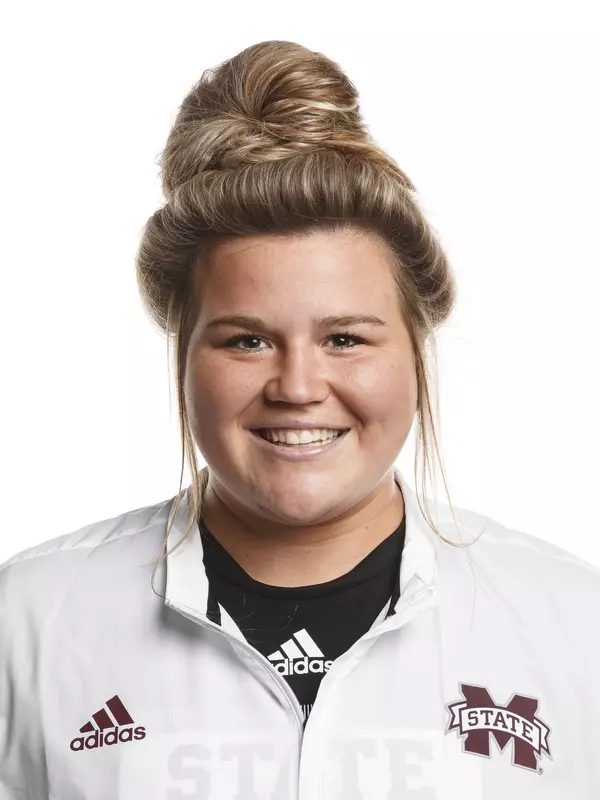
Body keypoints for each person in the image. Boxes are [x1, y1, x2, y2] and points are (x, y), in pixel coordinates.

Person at [1, 39, 599, 800]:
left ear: (415, 351)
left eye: (345, 339)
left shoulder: (573, 625)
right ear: (184, 354)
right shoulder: (29, 623)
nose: (297, 387)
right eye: (246, 341)